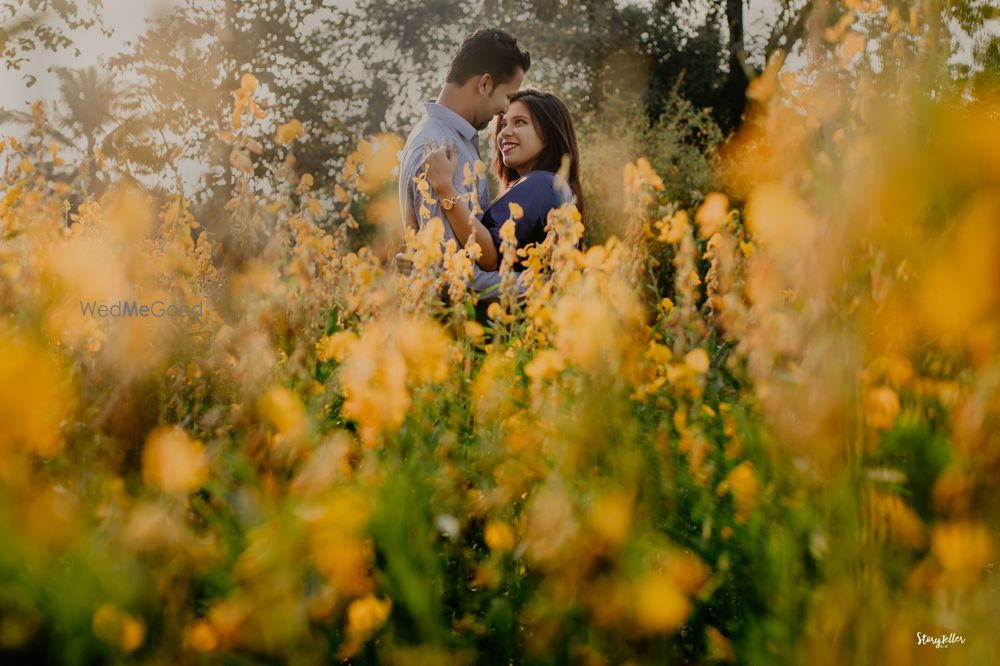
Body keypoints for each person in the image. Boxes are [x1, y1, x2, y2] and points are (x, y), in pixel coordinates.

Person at [397, 27, 530, 292]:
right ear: (484, 84)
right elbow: (451, 275)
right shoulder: (438, 149)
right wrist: (541, 284)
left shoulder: (451, 140)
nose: (505, 108)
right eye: (507, 96)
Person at [423, 89, 585, 272]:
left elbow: (489, 258)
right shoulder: (548, 185)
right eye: (503, 124)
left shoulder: (542, 183)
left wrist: (444, 188)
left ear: (548, 135)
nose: (504, 133)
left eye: (520, 122)